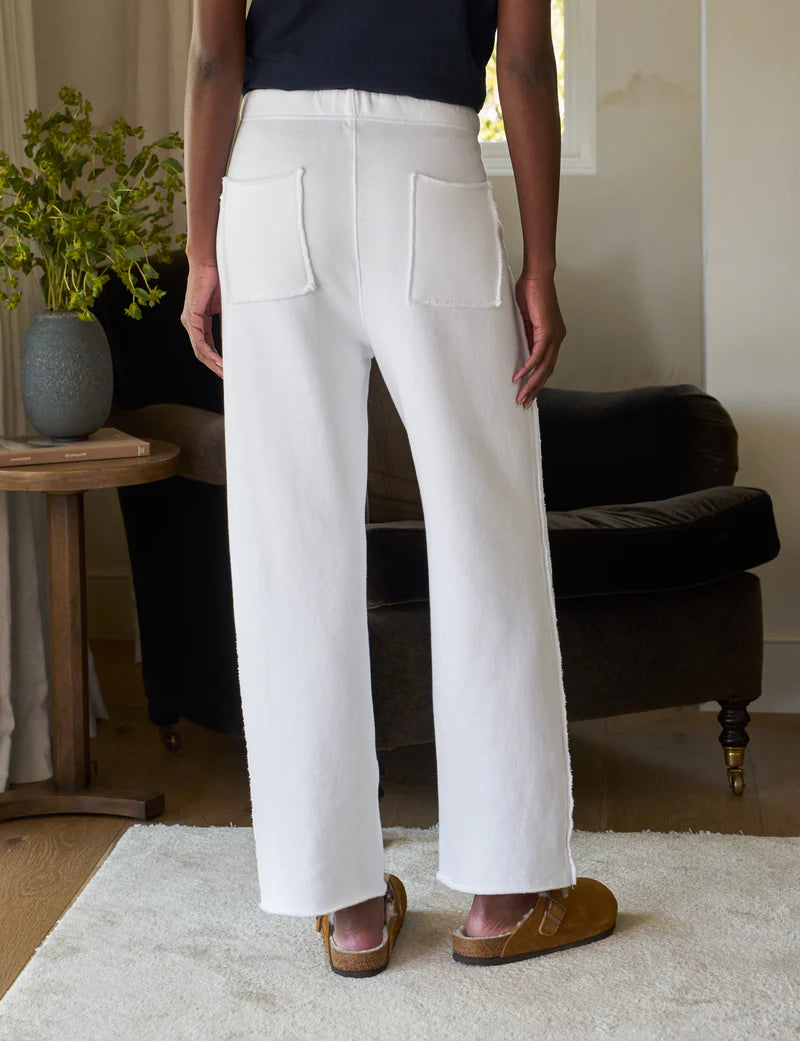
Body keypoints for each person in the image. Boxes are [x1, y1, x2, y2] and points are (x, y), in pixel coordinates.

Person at [181, 0, 618, 976]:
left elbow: (214, 57)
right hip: (426, 169)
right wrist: (539, 265)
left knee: (287, 540)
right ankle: (504, 897)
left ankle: (346, 908)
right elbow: (524, 64)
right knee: (483, 528)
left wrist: (203, 249)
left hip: (270, 172)